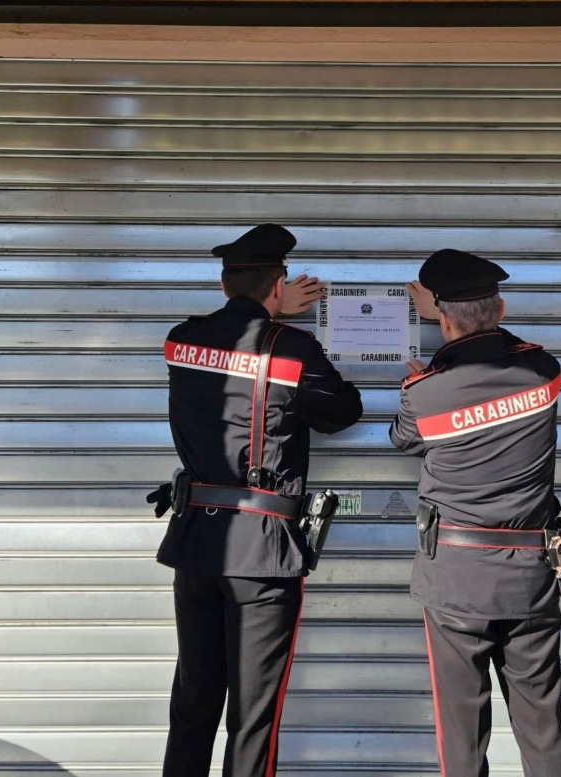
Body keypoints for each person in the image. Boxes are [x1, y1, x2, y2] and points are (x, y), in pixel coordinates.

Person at [155, 223, 363, 776]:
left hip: (196, 543)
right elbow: (343, 411)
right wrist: (276, 321)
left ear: (224, 286)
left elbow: (226, 345)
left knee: (194, 702)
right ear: (280, 286)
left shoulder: (181, 340)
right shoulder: (290, 349)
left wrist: (261, 310)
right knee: (253, 718)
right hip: (263, 555)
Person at [393, 249, 561, 777]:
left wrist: (433, 364)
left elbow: (404, 440)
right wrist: (453, 320)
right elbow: (499, 356)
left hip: (456, 581)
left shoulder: (425, 394)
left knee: (463, 736)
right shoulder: (544, 371)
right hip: (531, 577)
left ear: (441, 317)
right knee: (544, 732)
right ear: (500, 307)